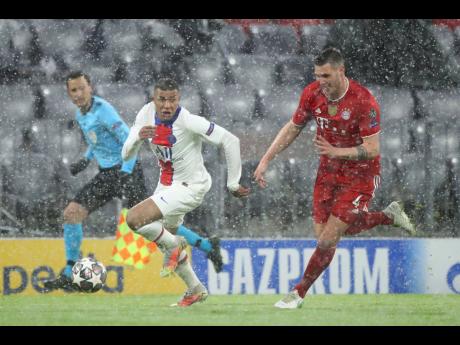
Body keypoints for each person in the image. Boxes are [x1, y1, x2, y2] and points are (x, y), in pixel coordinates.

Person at [253, 48, 416, 309]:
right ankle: (388, 216)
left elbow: (373, 149)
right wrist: (266, 158)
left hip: (361, 175)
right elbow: (293, 127)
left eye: (326, 75)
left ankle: (297, 294)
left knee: (329, 239)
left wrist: (337, 151)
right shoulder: (312, 93)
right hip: (328, 172)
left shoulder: (364, 101)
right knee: (327, 236)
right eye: (317, 75)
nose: (321, 81)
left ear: (341, 70)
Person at [43, 71, 222, 292]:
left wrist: (126, 172)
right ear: (69, 94)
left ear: (90, 87)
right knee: (71, 214)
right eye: (74, 90)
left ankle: (205, 246)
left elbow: (131, 138)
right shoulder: (81, 115)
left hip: (126, 171)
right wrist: (86, 159)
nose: (79, 94)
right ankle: (69, 273)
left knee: (152, 224)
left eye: (82, 88)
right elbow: (96, 140)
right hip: (107, 174)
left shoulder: (104, 110)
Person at [122, 77, 249, 307]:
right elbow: (126, 155)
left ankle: (176, 245)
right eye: (162, 99)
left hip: (191, 187)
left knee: (134, 219)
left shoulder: (189, 121)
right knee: (165, 237)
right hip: (167, 186)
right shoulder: (146, 114)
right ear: (154, 99)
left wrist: (233, 183)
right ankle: (195, 289)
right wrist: (138, 138)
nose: (167, 105)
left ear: (179, 99)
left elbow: (231, 140)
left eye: (172, 100)